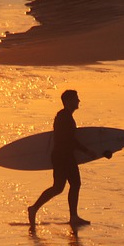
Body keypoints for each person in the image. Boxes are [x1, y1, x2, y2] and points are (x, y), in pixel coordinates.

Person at [27, 89, 100, 227]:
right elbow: (70, 140)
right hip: (63, 156)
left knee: (60, 187)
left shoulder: (65, 116)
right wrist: (87, 151)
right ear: (68, 101)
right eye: (76, 98)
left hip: (63, 156)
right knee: (67, 186)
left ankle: (36, 209)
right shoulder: (64, 117)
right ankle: (37, 209)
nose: (78, 101)